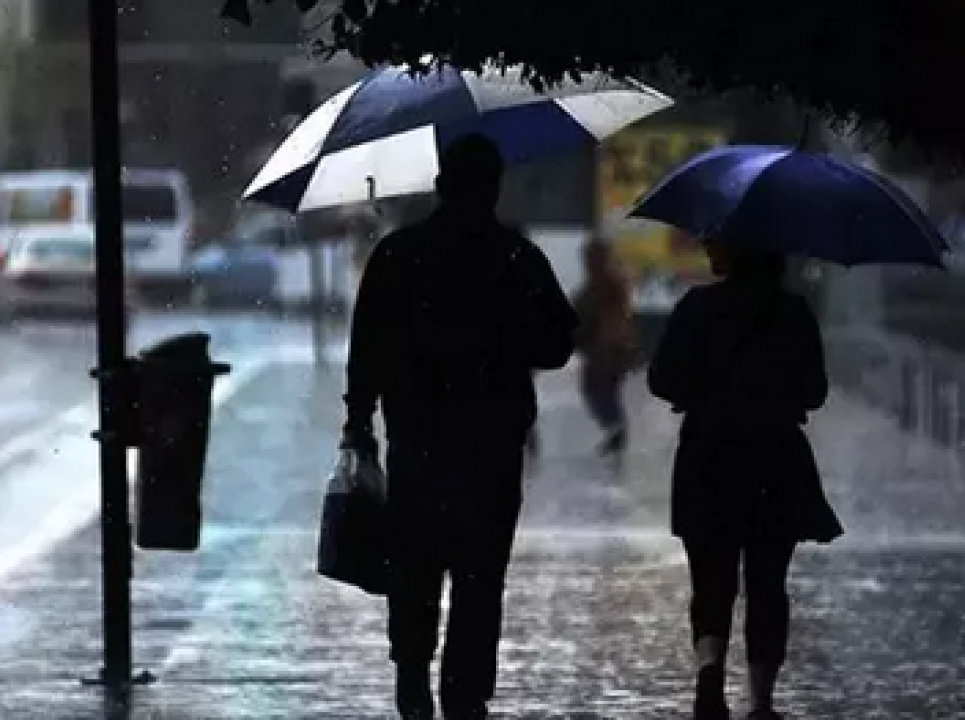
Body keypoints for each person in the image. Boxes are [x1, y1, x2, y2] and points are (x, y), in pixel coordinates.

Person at [339, 134, 578, 720]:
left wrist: (358, 418)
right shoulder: (515, 257)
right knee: (480, 576)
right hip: (491, 447)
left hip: (417, 441)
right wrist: (505, 340)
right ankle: (465, 693)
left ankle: (412, 676)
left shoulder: (399, 254)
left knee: (414, 565)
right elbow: (557, 342)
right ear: (494, 188)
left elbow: (366, 346)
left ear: (441, 186)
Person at [647, 239, 844, 720]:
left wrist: (701, 390)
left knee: (710, 578)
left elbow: (661, 379)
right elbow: (815, 392)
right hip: (775, 458)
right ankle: (761, 702)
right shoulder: (793, 313)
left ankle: (709, 670)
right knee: (768, 582)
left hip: (707, 455)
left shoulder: (697, 308)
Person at [571, 237, 636, 461]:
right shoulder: (600, 284)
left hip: (607, 349)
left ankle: (616, 429)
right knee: (601, 391)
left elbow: (606, 317)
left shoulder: (608, 284)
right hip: (606, 349)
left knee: (598, 389)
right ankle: (616, 430)